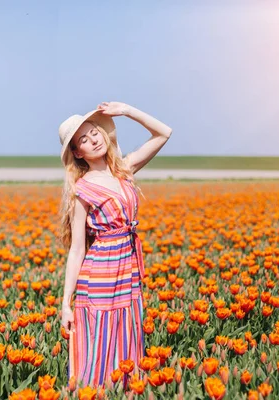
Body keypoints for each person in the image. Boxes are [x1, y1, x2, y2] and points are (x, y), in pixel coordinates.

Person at [57, 101, 173, 389]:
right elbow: (77, 249)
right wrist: (65, 304)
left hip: (128, 272)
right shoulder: (82, 189)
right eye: (82, 139)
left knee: (127, 338)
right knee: (97, 345)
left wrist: (127, 110)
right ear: (77, 152)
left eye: (94, 132)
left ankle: (126, 392)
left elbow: (164, 133)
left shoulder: (125, 170)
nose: (92, 140)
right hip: (98, 278)